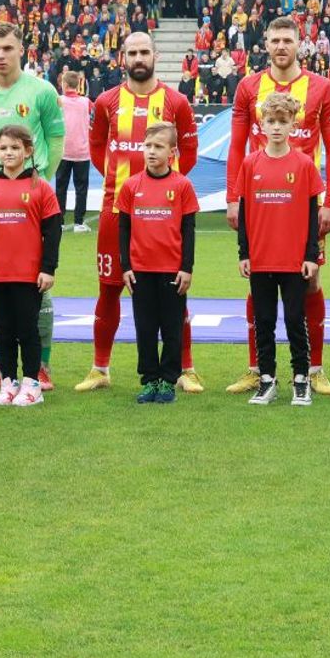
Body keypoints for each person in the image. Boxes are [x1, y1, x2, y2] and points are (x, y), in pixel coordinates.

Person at [76, 32, 203, 394]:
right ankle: (100, 368)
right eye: (132, 52)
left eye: (144, 51)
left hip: (164, 213)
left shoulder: (177, 102)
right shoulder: (106, 101)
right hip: (116, 210)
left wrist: (164, 188)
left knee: (174, 290)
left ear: (155, 55)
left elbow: (189, 152)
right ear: (123, 57)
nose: (138, 58)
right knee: (109, 288)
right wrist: (124, 186)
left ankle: (185, 369)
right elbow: (97, 147)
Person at [225, 16, 330, 397]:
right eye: (274, 40)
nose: (280, 46)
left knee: (310, 281)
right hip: (261, 205)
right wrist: (232, 198)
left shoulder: (322, 87)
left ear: (299, 44)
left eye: (287, 40)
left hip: (302, 208)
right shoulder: (248, 86)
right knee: (257, 280)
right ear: (265, 43)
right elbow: (236, 146)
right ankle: (257, 368)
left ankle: (314, 369)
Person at [0, 22, 65, 392]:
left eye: (7, 48)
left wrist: (39, 180)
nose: (0, 55)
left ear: (22, 50)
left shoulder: (42, 91)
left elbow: (56, 138)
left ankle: (42, 368)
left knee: (39, 283)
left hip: (31, 197)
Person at [0, 125, 62, 407]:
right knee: (3, 331)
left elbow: (53, 232)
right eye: (4, 148)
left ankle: (32, 385)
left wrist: (48, 268)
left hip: (28, 275)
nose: (9, 153)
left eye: (15, 148)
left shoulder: (40, 188)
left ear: (28, 151)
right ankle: (8, 383)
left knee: (27, 330)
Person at [235, 93, 322, 407]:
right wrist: (243, 253)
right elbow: (244, 212)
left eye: (282, 121)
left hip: (293, 260)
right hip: (260, 259)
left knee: (295, 320)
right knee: (264, 321)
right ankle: (267, 380)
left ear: (292, 125)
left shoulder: (304, 164)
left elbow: (312, 215)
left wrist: (311, 256)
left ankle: (301, 380)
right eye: (270, 121)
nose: (275, 127)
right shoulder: (250, 163)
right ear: (261, 124)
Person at [118, 123, 199, 405]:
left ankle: (168, 380)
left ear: (172, 152)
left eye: (158, 147)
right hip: (140, 271)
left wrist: (186, 268)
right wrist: (125, 267)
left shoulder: (182, 185)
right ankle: (149, 379)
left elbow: (188, 230)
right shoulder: (131, 185)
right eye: (148, 146)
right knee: (145, 328)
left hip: (172, 270)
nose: (151, 152)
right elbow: (124, 229)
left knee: (172, 328)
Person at [56, 70, 93, 233]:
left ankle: (59, 222)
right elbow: (95, 121)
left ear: (64, 84)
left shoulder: (58, 101)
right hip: (81, 151)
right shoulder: (87, 102)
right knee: (81, 188)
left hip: (63, 151)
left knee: (61, 187)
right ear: (78, 84)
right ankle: (79, 222)